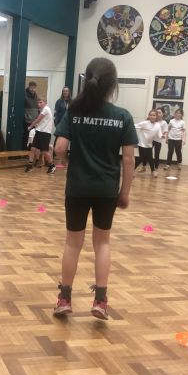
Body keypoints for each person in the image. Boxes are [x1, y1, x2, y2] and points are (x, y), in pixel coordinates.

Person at [54, 57, 138, 319]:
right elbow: (128, 159)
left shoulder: (74, 112)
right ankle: (100, 301)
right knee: (102, 243)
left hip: (77, 188)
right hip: (106, 190)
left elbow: (59, 148)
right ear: (112, 85)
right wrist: (124, 192)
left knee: (73, 244)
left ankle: (64, 299)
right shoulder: (122, 116)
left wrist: (69, 162)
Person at [24, 98, 56, 174]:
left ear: (45, 102)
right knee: (33, 148)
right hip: (39, 131)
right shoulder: (43, 110)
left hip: (45, 133)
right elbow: (41, 121)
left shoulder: (46, 109)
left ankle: (52, 165)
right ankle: (30, 165)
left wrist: (30, 126)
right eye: (38, 103)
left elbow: (38, 119)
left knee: (44, 151)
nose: (39, 104)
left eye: (41, 102)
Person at [134, 110, 162, 177]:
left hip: (149, 144)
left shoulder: (158, 125)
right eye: (151, 115)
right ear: (149, 116)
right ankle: (131, 170)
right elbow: (134, 126)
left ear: (156, 116)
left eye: (154, 115)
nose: (152, 116)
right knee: (141, 158)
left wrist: (163, 136)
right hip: (142, 143)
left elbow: (159, 134)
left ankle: (153, 171)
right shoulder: (145, 123)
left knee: (150, 158)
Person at [24, 81, 39, 149]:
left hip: (35, 121)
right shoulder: (25, 95)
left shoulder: (36, 96)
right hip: (27, 121)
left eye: (34, 88)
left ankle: (31, 151)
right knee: (27, 137)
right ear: (29, 87)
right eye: (31, 88)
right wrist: (25, 117)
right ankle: (26, 151)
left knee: (33, 137)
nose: (33, 89)